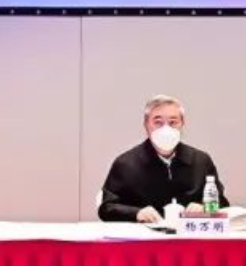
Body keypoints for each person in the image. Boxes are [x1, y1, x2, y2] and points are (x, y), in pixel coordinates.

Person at [97, 95, 228, 222]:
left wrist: (205, 208)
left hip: (189, 233)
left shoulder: (201, 161)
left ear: (182, 124)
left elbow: (223, 203)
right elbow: (107, 208)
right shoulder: (126, 164)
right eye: (158, 123)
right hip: (143, 235)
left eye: (173, 122)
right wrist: (136, 213)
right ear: (146, 125)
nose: (166, 129)